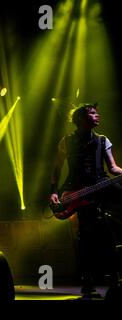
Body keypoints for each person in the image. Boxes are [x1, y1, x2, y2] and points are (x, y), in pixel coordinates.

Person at [49, 103, 122, 298]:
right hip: (77, 192)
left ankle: (115, 277)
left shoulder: (102, 140)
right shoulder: (66, 141)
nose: (97, 115)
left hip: (100, 188)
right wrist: (53, 191)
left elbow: (113, 168)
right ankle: (87, 280)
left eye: (96, 112)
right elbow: (56, 168)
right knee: (86, 236)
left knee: (108, 232)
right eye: (92, 112)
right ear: (81, 119)